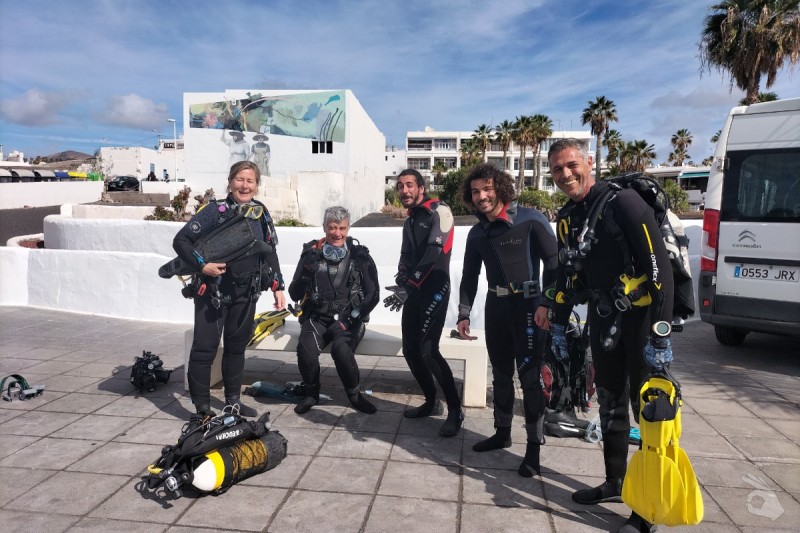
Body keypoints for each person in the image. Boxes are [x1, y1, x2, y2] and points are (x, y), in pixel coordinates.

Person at [547, 138, 674, 533]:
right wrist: (557, 319)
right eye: (557, 170)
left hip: (640, 323)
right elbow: (570, 276)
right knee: (609, 404)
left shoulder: (624, 203)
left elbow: (660, 272)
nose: (566, 175)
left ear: (588, 162)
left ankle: (648, 509)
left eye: (571, 165)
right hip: (603, 320)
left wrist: (660, 335)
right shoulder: (569, 216)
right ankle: (615, 482)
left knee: (648, 415)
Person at [456, 163, 558, 477]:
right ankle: (502, 433)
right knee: (500, 374)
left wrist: (547, 303)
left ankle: (533, 450)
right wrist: (463, 312)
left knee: (530, 381)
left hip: (530, 309)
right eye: (476, 191)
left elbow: (555, 265)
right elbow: (470, 276)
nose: (482, 196)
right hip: (496, 308)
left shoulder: (529, 219)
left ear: (500, 187)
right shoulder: (477, 232)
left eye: (487, 189)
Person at [173, 160, 285, 420]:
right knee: (205, 349)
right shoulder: (216, 211)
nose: (244, 186)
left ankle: (232, 403)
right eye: (240, 179)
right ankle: (202, 408)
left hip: (246, 293)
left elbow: (270, 252)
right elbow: (181, 240)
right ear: (231, 181)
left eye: (250, 181)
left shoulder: (260, 213)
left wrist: (278, 287)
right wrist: (204, 266)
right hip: (212, 292)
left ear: (256, 186)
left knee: (236, 348)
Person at [384, 169, 463, 437]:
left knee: (429, 351)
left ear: (421, 187)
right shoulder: (409, 220)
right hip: (414, 291)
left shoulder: (440, 211)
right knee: (411, 350)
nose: (404, 191)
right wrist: (402, 278)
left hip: (435, 290)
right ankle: (431, 402)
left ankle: (455, 410)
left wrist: (411, 284)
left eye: (409, 185)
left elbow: (434, 252)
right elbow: (406, 254)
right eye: (400, 186)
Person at [288, 206, 379, 415]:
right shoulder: (311, 254)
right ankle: (311, 394)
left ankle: (355, 395)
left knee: (341, 349)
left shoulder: (359, 256)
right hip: (317, 317)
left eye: (342, 228)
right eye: (332, 228)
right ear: (324, 228)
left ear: (348, 229)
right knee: (306, 350)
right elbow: (294, 294)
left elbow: (373, 293)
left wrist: (352, 317)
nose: (337, 233)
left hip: (349, 319)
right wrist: (305, 274)